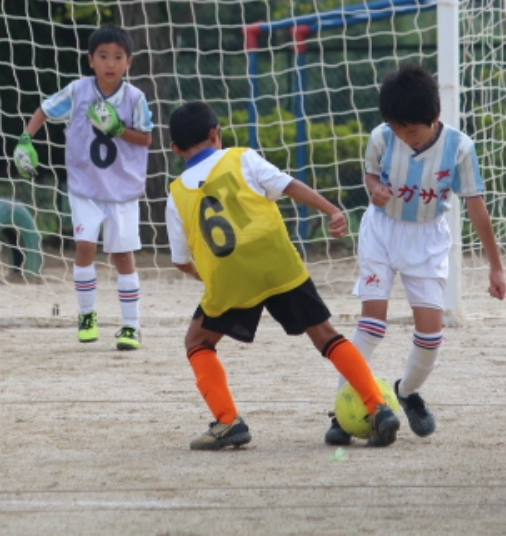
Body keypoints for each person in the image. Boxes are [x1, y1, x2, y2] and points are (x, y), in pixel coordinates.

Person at [166, 101, 400, 450]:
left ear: (175, 149)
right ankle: (378, 407)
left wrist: (206, 275)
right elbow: (289, 185)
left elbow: (180, 260)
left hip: (231, 278)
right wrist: (332, 210)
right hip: (277, 262)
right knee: (324, 335)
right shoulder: (242, 157)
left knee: (197, 342)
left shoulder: (176, 194)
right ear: (216, 134)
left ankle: (228, 421)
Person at [326, 63, 506, 445]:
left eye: (411, 132)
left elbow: (477, 209)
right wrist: (374, 188)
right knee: (372, 324)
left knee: (430, 336)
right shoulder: (382, 137)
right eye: (397, 130)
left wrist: (496, 266)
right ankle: (343, 411)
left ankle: (406, 393)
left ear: (434, 117)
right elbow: (371, 173)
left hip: (427, 240)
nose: (404, 138)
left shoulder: (460, 148)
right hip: (381, 231)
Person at [12, 25, 153, 350]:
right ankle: (87, 315)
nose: (110, 63)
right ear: (91, 60)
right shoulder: (78, 91)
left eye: (117, 57)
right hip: (85, 187)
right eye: (103, 56)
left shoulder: (135, 98)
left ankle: (131, 326)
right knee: (85, 246)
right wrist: (25, 139)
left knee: (122, 256)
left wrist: (117, 128)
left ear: (128, 62)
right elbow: (45, 110)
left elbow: (146, 138)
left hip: (122, 191)